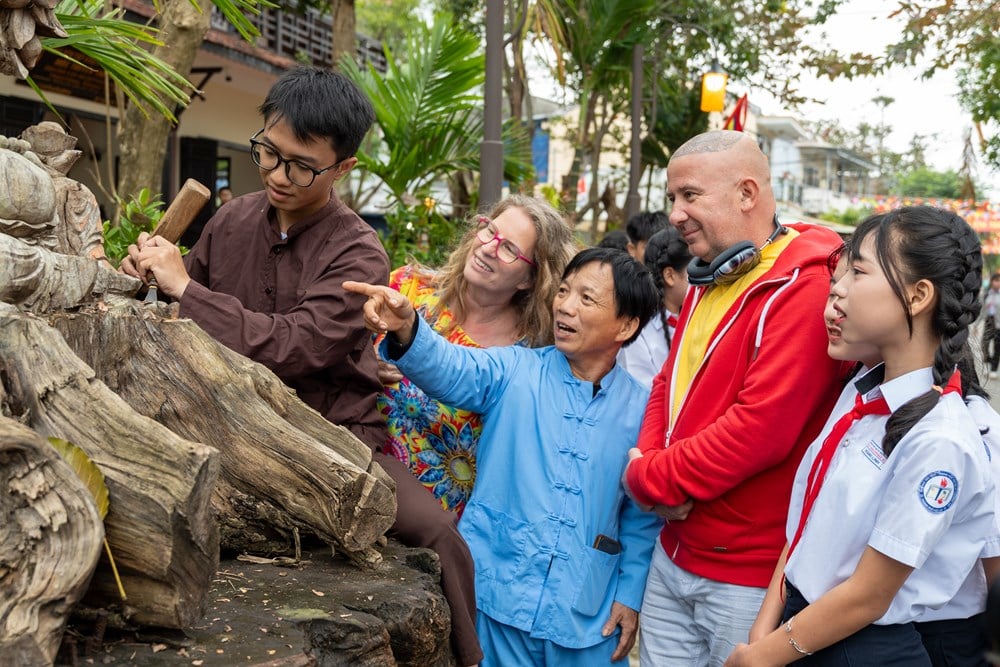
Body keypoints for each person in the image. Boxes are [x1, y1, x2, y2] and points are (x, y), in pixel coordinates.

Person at [345, 247, 663, 666]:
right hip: (493, 598)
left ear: (626, 324)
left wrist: (629, 595)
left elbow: (641, 516)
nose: (565, 306)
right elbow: (453, 367)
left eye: (587, 299)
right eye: (564, 291)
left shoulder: (643, 409)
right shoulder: (516, 369)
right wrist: (407, 328)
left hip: (586, 616)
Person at [726, 206, 996, 666]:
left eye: (858, 272)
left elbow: (869, 595)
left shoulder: (941, 437)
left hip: (857, 644)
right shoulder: (861, 395)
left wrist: (762, 657)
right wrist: (767, 621)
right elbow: (808, 526)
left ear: (918, 295)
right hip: (803, 626)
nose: (837, 289)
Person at [621, 129, 847, 665]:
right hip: (674, 549)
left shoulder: (805, 286)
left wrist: (647, 477)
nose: (674, 214)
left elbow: (760, 429)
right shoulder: (709, 273)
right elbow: (667, 385)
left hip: (747, 573)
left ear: (747, 193)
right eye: (672, 198)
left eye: (690, 196)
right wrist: (656, 472)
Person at [121, 65, 389, 445]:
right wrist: (146, 276)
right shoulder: (233, 217)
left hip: (327, 434)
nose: (278, 176)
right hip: (223, 413)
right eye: (270, 153)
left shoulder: (359, 253)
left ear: (342, 168)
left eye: (301, 167)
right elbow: (176, 300)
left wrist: (185, 289)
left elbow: (295, 345)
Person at [374, 195, 577, 664]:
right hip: (373, 484)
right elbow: (339, 355)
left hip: (459, 533)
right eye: (489, 230)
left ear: (531, 278)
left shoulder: (534, 354)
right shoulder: (408, 291)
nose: (488, 246)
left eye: (510, 248)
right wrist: (365, 361)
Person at [827, 243, 1000, 667]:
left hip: (943, 629)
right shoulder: (860, 399)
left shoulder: (972, 429)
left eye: (858, 279)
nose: (836, 302)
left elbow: (994, 559)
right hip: (861, 624)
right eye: (836, 285)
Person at [616, 226, 691, 388]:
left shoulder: (696, 319)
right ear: (670, 276)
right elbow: (640, 391)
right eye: (693, 273)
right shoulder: (637, 330)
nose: (702, 282)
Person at [983, 273, 1000, 379]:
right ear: (991, 281)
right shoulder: (986, 294)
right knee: (984, 344)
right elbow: (982, 309)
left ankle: (994, 369)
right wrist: (976, 325)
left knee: (997, 347)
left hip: (999, 323)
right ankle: (987, 362)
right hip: (988, 321)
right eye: (996, 280)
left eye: (999, 281)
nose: (997, 283)